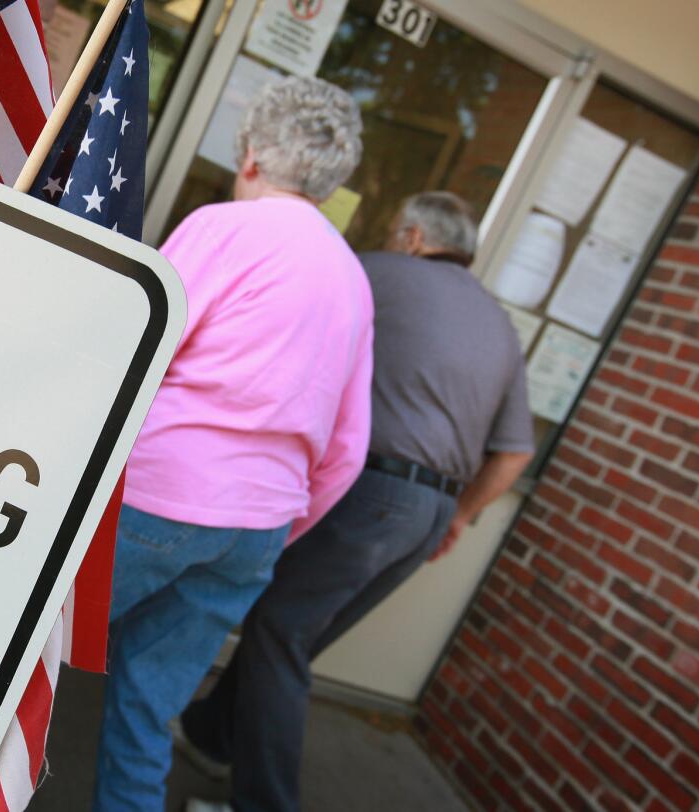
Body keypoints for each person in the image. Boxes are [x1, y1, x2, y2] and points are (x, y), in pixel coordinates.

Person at [179, 191, 536, 812]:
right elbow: (512, 455)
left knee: (282, 630)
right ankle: (215, 733)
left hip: (371, 492)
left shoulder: (371, 272)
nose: (396, 239)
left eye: (400, 230)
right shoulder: (500, 326)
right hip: (427, 514)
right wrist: (461, 515)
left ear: (416, 237)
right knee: (291, 634)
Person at [91, 77, 373, 811]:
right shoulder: (353, 280)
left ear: (250, 155)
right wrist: (275, 528)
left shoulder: (223, 228)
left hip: (159, 496)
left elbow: (139, 351)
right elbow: (347, 448)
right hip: (257, 526)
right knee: (147, 705)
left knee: (17, 648)